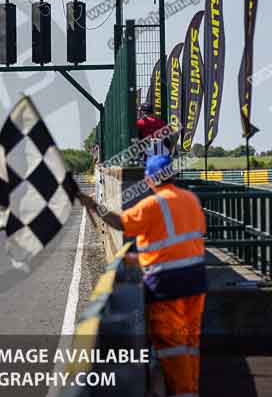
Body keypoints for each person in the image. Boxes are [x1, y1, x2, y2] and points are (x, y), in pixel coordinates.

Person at [78, 154, 206, 397]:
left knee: (171, 345)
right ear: (174, 175)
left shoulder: (152, 205)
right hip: (196, 282)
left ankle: (183, 392)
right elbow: (182, 243)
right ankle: (191, 390)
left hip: (167, 286)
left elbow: (120, 222)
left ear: (149, 179)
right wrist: (142, 258)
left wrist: (95, 206)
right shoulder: (191, 200)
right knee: (189, 343)